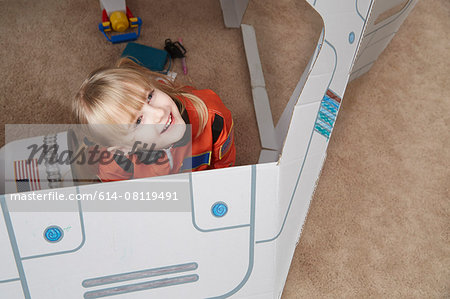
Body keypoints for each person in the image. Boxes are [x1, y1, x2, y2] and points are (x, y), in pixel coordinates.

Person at [73, 58, 235, 182]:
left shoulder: (213, 116)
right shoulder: (113, 162)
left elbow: (224, 165)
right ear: (122, 149)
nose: (159, 113)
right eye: (138, 121)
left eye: (150, 96)